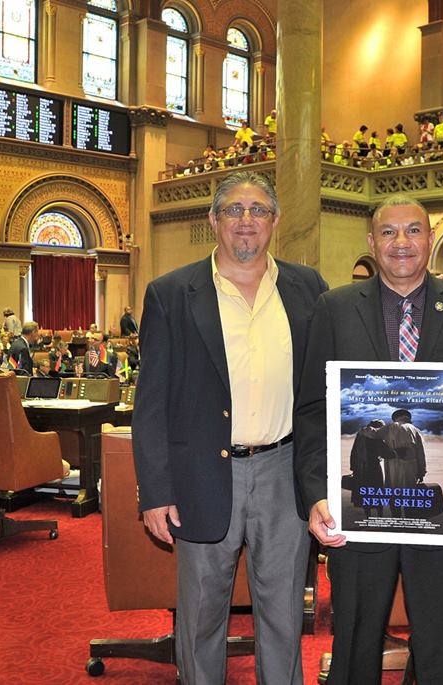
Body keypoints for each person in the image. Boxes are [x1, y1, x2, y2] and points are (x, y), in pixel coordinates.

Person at [133, 171, 327, 685]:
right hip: (202, 476)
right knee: (200, 618)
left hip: (286, 473)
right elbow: (149, 403)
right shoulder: (171, 293)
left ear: (275, 222)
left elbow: (328, 383)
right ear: (213, 220)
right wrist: (155, 491)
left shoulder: (308, 288)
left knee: (285, 615)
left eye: (258, 210)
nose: (247, 221)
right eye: (235, 210)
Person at [294, 194, 443, 685]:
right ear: (372, 242)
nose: (401, 242)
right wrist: (318, 493)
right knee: (356, 635)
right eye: (388, 232)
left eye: (412, 231)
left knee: (439, 633)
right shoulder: (334, 308)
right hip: (360, 510)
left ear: (430, 238)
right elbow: (312, 409)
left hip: (436, 509)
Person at [358, 409, 427, 518]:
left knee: (393, 494)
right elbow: (421, 453)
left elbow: (372, 433)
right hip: (410, 467)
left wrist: (364, 429)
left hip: (391, 465)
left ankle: (396, 519)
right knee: (409, 494)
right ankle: (410, 520)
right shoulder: (415, 430)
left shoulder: (388, 427)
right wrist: (422, 471)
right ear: (407, 418)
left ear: (395, 417)